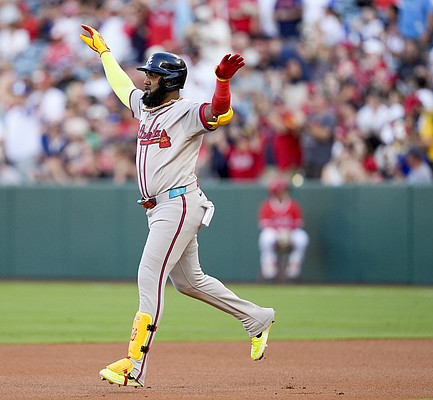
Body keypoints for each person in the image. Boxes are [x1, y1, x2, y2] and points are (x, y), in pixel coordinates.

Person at [80, 25, 275, 388]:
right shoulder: (144, 107)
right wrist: (104, 53)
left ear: (169, 81)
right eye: (147, 75)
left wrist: (222, 82)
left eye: (153, 76)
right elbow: (122, 86)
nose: (146, 81)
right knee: (189, 282)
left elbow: (218, 112)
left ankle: (134, 365)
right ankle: (256, 317)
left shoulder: (185, 112)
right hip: (160, 208)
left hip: (178, 204)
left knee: (148, 276)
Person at [258, 177, 309, 282]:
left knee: (302, 237)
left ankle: (294, 265)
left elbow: (299, 223)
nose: (283, 193)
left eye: (285, 190)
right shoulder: (267, 205)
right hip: (274, 233)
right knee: (265, 237)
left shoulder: (293, 204)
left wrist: (288, 232)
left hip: (290, 233)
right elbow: (264, 224)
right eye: (281, 191)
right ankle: (269, 264)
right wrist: (279, 233)